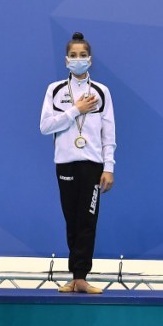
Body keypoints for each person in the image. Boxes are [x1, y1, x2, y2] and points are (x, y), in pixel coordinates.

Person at [39, 32, 115, 294]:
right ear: (66, 60)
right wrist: (75, 110)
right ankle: (74, 276)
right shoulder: (55, 90)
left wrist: (109, 167)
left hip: (92, 165)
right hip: (65, 163)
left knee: (87, 220)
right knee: (71, 220)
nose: (78, 59)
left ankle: (81, 277)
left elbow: (109, 133)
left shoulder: (101, 92)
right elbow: (45, 127)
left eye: (83, 55)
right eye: (73, 55)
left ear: (90, 60)